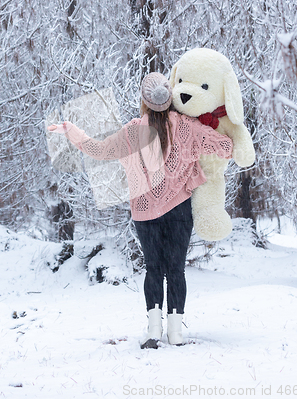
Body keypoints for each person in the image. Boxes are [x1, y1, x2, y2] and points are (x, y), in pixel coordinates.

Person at [47, 72, 233, 349]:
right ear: (170, 97)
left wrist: (72, 131)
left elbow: (97, 150)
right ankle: (176, 333)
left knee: (154, 269)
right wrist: (213, 121)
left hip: (145, 211)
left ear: (144, 101)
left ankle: (154, 331)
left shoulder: (133, 131)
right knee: (176, 270)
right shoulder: (187, 127)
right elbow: (226, 148)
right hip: (180, 208)